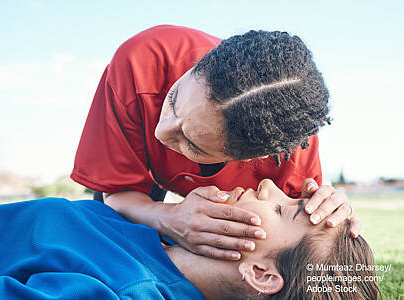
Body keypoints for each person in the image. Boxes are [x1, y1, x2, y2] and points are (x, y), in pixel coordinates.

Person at [71, 25, 361, 260]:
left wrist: (335, 220)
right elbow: (118, 193)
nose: (160, 132)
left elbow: (305, 245)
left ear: (254, 158)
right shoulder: (142, 61)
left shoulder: (288, 151)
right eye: (172, 100)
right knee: (110, 234)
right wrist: (167, 217)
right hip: (129, 201)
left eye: (192, 144)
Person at [0, 180, 378, 299]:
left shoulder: (124, 291)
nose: (267, 184)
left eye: (283, 209)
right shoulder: (163, 240)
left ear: (260, 273)